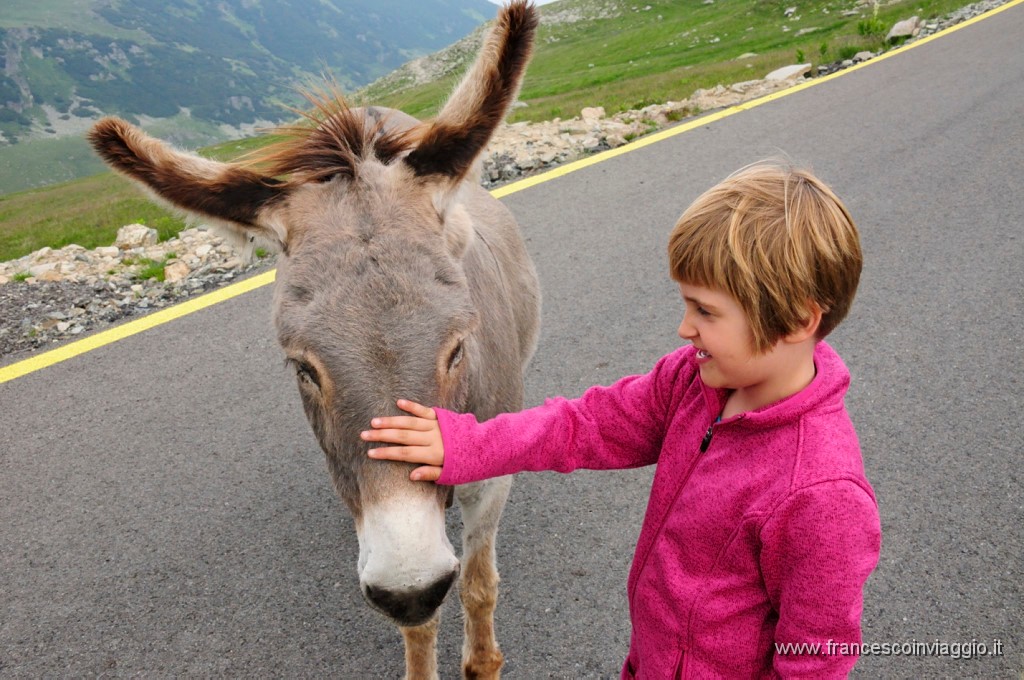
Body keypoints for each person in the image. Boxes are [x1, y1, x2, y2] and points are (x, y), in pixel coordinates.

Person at [361, 161, 882, 678]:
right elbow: (584, 425)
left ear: (796, 319)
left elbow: (816, 658)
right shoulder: (692, 383)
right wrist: (464, 444)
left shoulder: (822, 496)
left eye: (705, 312)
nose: (684, 329)